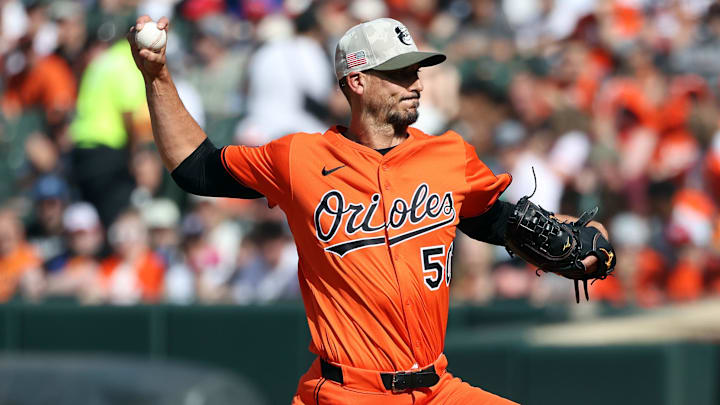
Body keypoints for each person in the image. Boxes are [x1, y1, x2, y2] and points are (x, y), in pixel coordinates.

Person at [128, 16, 613, 404]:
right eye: (399, 72)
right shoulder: (299, 158)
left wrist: (583, 241)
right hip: (346, 392)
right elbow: (197, 169)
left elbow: (496, 220)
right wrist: (157, 75)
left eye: (416, 71)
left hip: (434, 389)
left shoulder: (448, 155)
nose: (416, 82)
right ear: (357, 80)